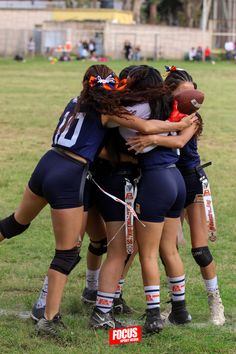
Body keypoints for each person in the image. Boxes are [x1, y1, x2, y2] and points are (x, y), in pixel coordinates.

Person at [0, 64, 195, 336]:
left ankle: (80, 295)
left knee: (18, 226)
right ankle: (68, 312)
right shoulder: (115, 109)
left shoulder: (78, 100)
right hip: (82, 177)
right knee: (79, 251)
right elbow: (145, 127)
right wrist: (179, 125)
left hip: (52, 164)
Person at [89, 65, 198, 333]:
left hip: (155, 181)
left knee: (147, 253)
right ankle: (181, 310)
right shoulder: (169, 105)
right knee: (169, 249)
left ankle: (152, 316)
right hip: (177, 181)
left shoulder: (131, 111)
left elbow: (121, 121)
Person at [163, 66, 225, 326]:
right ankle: (177, 305)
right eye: (184, 95)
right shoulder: (160, 114)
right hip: (167, 180)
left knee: (199, 249)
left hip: (191, 180)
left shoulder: (193, 119)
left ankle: (215, 301)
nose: (192, 101)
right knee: (169, 248)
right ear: (169, 94)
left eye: (193, 94)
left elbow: (177, 142)